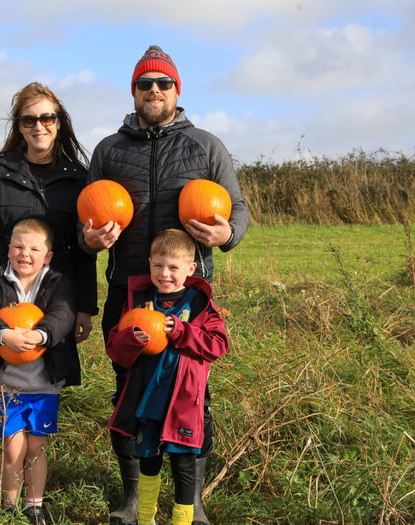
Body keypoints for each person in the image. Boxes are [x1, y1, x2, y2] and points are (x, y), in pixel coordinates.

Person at [82, 45, 249, 525]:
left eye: (163, 83)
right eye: (144, 84)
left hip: (188, 294)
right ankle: (134, 496)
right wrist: (89, 238)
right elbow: (85, 219)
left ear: (178, 90)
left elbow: (236, 210)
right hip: (129, 291)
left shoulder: (205, 146)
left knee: (192, 393)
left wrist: (227, 234)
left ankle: (191, 501)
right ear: (133, 91)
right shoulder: (109, 150)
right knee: (129, 392)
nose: (153, 91)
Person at [0, 82, 98, 494]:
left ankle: (29, 484)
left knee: (41, 378)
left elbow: (82, 249)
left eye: (47, 117)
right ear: (19, 126)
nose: (39, 125)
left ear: (59, 122)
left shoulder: (78, 178)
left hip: (55, 297)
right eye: (30, 119)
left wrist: (85, 307)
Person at [106, 229, 229, 525]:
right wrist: (132, 339)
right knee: (148, 461)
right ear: (149, 264)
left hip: (183, 403)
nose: (165, 274)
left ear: (190, 269)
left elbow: (218, 345)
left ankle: (182, 521)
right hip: (148, 401)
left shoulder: (198, 303)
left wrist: (182, 332)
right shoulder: (139, 300)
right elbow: (115, 348)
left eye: (173, 268)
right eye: (158, 266)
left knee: (184, 465)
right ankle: (145, 518)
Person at [0, 217, 80, 525]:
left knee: (35, 445)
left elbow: (64, 313)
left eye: (34, 248)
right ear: (8, 250)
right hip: (9, 384)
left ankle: (34, 505)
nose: (25, 253)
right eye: (18, 246)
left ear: (47, 257)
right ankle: (8, 505)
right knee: (12, 446)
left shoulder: (57, 283)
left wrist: (42, 335)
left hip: (44, 383)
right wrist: (2, 335)